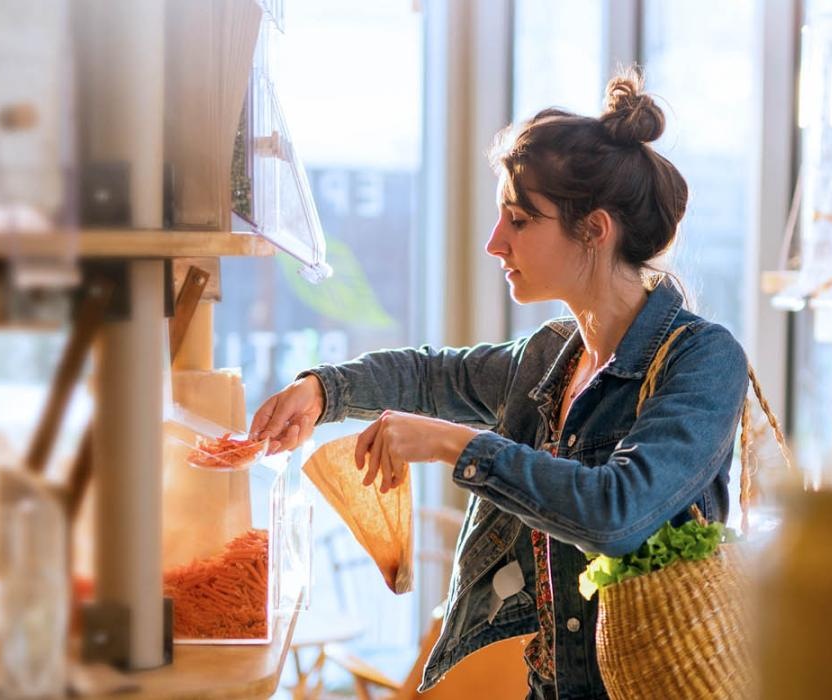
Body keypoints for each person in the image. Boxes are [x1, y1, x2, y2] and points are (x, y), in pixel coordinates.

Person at [250, 69, 749, 700]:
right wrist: (322, 391)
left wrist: (452, 445)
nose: (495, 243)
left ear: (594, 230)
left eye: (518, 219)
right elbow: (434, 373)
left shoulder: (703, 360)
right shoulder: (549, 356)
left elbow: (616, 511)